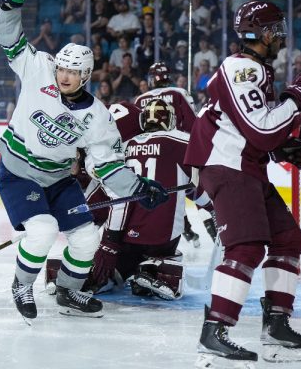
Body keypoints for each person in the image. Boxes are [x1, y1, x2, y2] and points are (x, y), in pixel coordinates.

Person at [0, 0, 169, 321]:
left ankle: (69, 292)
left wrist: (138, 185)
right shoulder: (38, 67)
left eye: (73, 71)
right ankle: (21, 284)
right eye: (62, 68)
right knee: (42, 231)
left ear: (85, 74)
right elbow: (9, 39)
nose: (64, 75)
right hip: (19, 174)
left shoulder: (97, 115)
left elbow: (106, 162)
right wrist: (8, 8)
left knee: (88, 237)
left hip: (58, 179)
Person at [184, 0, 301, 366]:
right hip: (227, 167)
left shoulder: (255, 69)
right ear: (260, 33)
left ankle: (276, 324)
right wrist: (299, 97)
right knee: (245, 248)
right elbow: (261, 130)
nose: (281, 36)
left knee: (288, 239)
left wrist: (283, 149)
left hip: (245, 167)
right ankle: (214, 331)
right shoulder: (241, 68)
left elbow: (256, 132)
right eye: (276, 29)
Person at [79, 100, 215, 298]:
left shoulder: (126, 146)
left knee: (119, 266)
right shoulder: (181, 140)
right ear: (170, 120)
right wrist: (212, 206)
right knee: (173, 256)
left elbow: (112, 189)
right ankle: (153, 271)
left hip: (127, 234)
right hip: (162, 235)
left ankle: (109, 276)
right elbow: (194, 187)